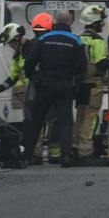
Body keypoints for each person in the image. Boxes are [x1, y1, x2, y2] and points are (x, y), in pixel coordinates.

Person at [23, 10, 87, 168]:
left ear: (54, 22)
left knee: (37, 120)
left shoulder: (44, 38)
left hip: (44, 85)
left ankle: (28, 156)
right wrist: (72, 76)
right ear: (70, 22)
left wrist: (34, 77)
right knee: (64, 121)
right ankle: (66, 156)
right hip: (65, 85)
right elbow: (82, 66)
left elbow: (29, 62)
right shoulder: (76, 41)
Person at [73, 5, 109, 167]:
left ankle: (76, 148)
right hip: (94, 84)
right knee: (90, 118)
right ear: (95, 21)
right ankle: (86, 153)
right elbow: (102, 63)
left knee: (80, 117)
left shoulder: (78, 39)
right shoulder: (98, 41)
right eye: (101, 20)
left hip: (80, 84)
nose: (103, 23)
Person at [23, 12, 64, 165]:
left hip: (35, 86)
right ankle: (55, 153)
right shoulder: (50, 42)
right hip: (50, 84)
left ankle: (35, 153)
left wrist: (33, 77)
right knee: (54, 120)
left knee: (35, 120)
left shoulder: (29, 45)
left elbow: (27, 66)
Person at [0, 23, 28, 100]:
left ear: (17, 38)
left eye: (11, 43)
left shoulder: (33, 48)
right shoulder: (17, 57)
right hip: (31, 94)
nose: (10, 46)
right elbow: (12, 78)